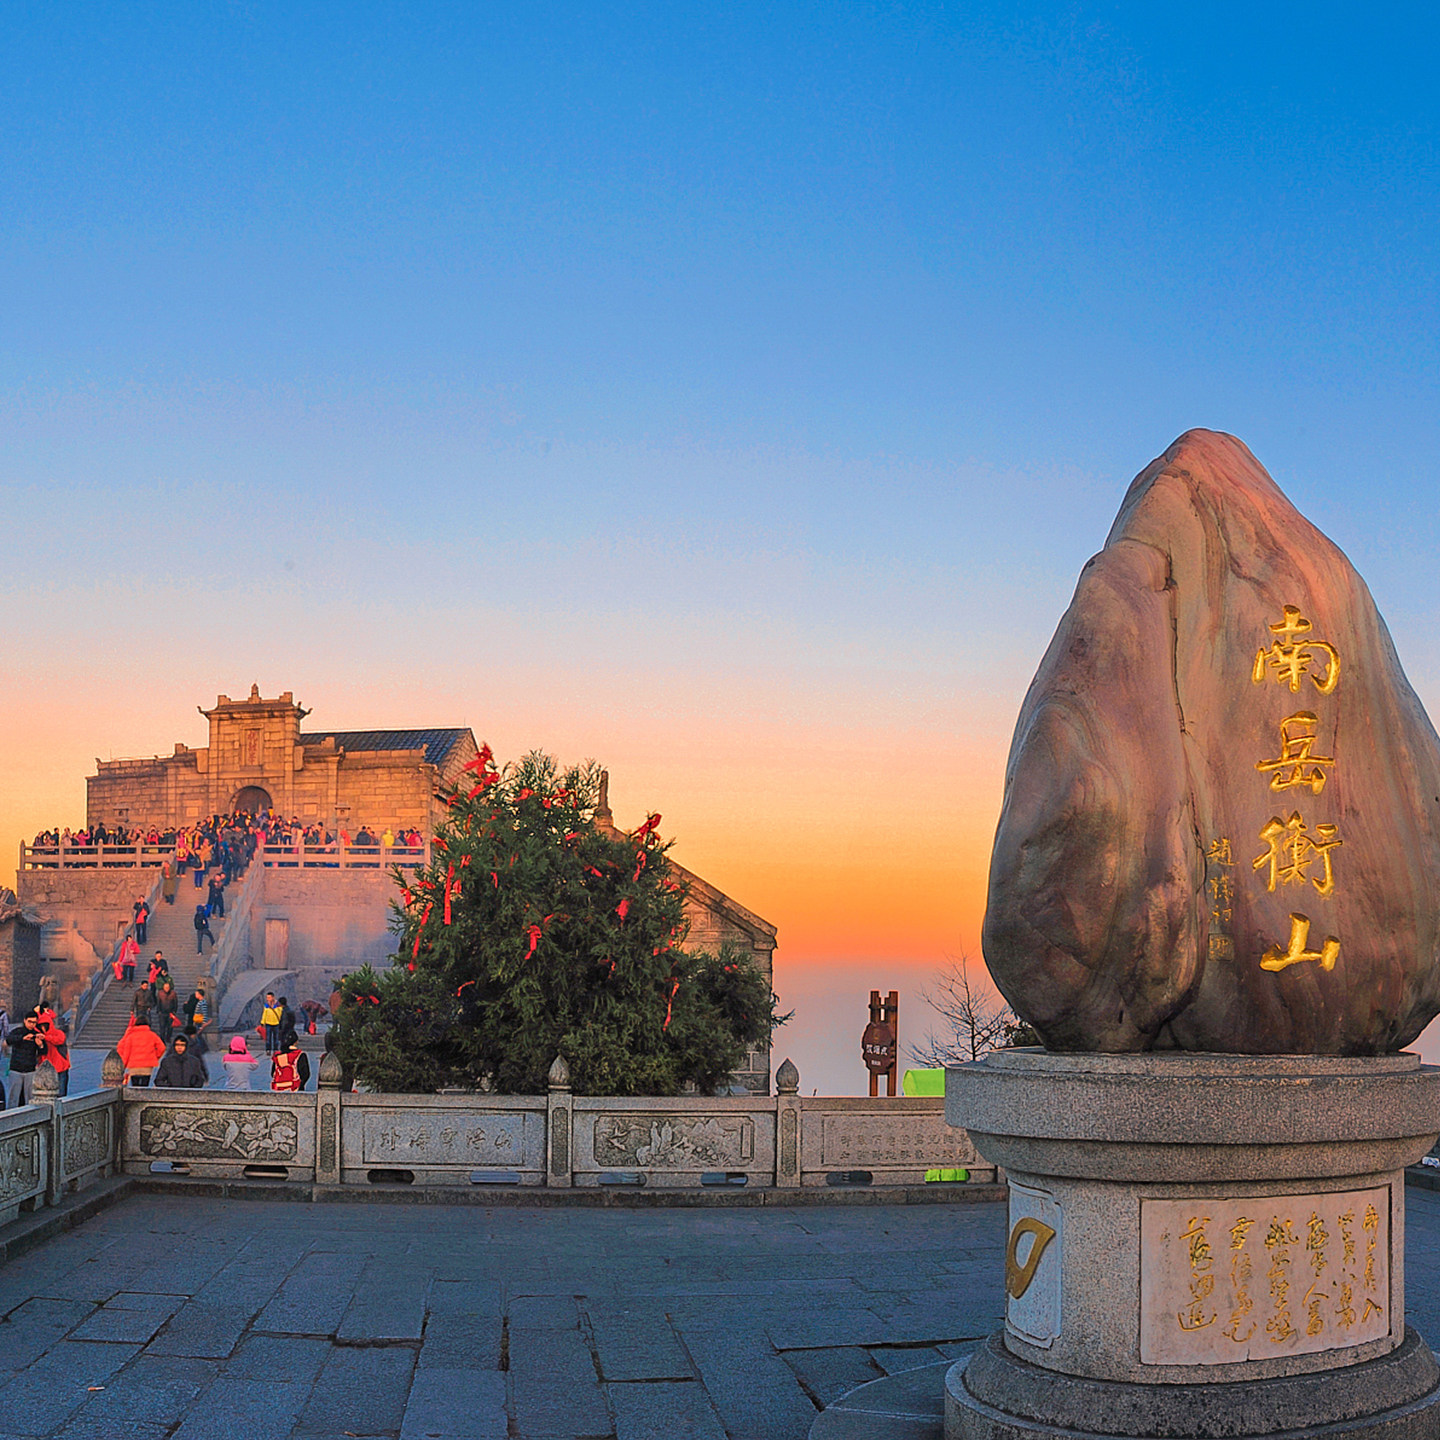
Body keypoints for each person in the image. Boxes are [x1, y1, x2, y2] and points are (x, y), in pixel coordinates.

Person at [5, 1011, 44, 1107]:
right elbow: (9, 1040)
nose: (32, 1024)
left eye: (34, 1022)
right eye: (30, 1022)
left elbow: (43, 1052)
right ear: (25, 1020)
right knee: (13, 1097)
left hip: (30, 1069)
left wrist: (40, 1045)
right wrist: (22, 1038)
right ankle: (12, 1114)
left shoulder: (36, 1034)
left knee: (30, 1098)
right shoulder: (18, 1031)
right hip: (16, 1069)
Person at [116, 1016, 167, 1085]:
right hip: (147, 1065)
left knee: (135, 1085)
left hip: (133, 1065)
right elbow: (162, 1047)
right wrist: (155, 1057)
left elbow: (123, 1049)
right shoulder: (152, 1035)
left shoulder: (131, 1036)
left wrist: (125, 1062)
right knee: (145, 1085)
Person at [34, 1009, 70, 1097]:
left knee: (61, 1093)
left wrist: (46, 1037)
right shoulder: (38, 1036)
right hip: (46, 1068)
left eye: (44, 1025)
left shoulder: (58, 1033)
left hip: (60, 1066)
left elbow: (59, 1040)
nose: (43, 1028)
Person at [152, 977, 180, 1043]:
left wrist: (174, 1011)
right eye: (165, 987)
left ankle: (168, 1038)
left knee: (170, 1027)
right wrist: (158, 1011)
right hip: (162, 1012)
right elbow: (158, 1002)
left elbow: (175, 1002)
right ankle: (162, 1039)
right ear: (163, 987)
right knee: (162, 1027)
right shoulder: (160, 993)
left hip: (170, 1013)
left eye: (168, 987)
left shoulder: (173, 993)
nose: (167, 989)